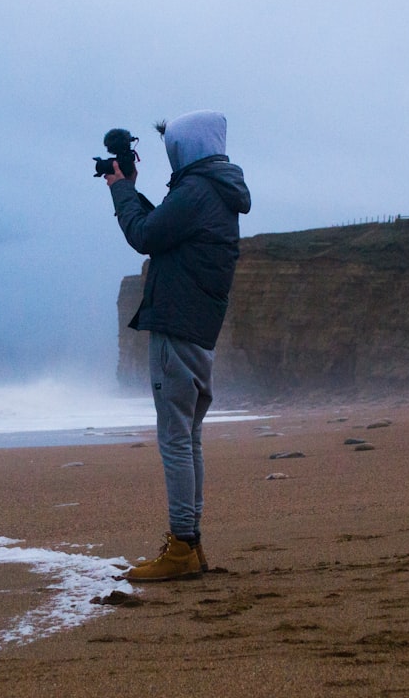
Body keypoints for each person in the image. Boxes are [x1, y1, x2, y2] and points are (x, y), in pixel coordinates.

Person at [104, 110, 251, 581]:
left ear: (187, 147)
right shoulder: (215, 191)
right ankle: (191, 541)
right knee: (188, 438)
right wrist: (130, 188)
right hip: (197, 331)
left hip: (178, 328)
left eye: (173, 144)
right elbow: (162, 231)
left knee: (175, 439)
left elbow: (144, 235)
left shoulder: (195, 192)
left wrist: (119, 189)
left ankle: (183, 547)